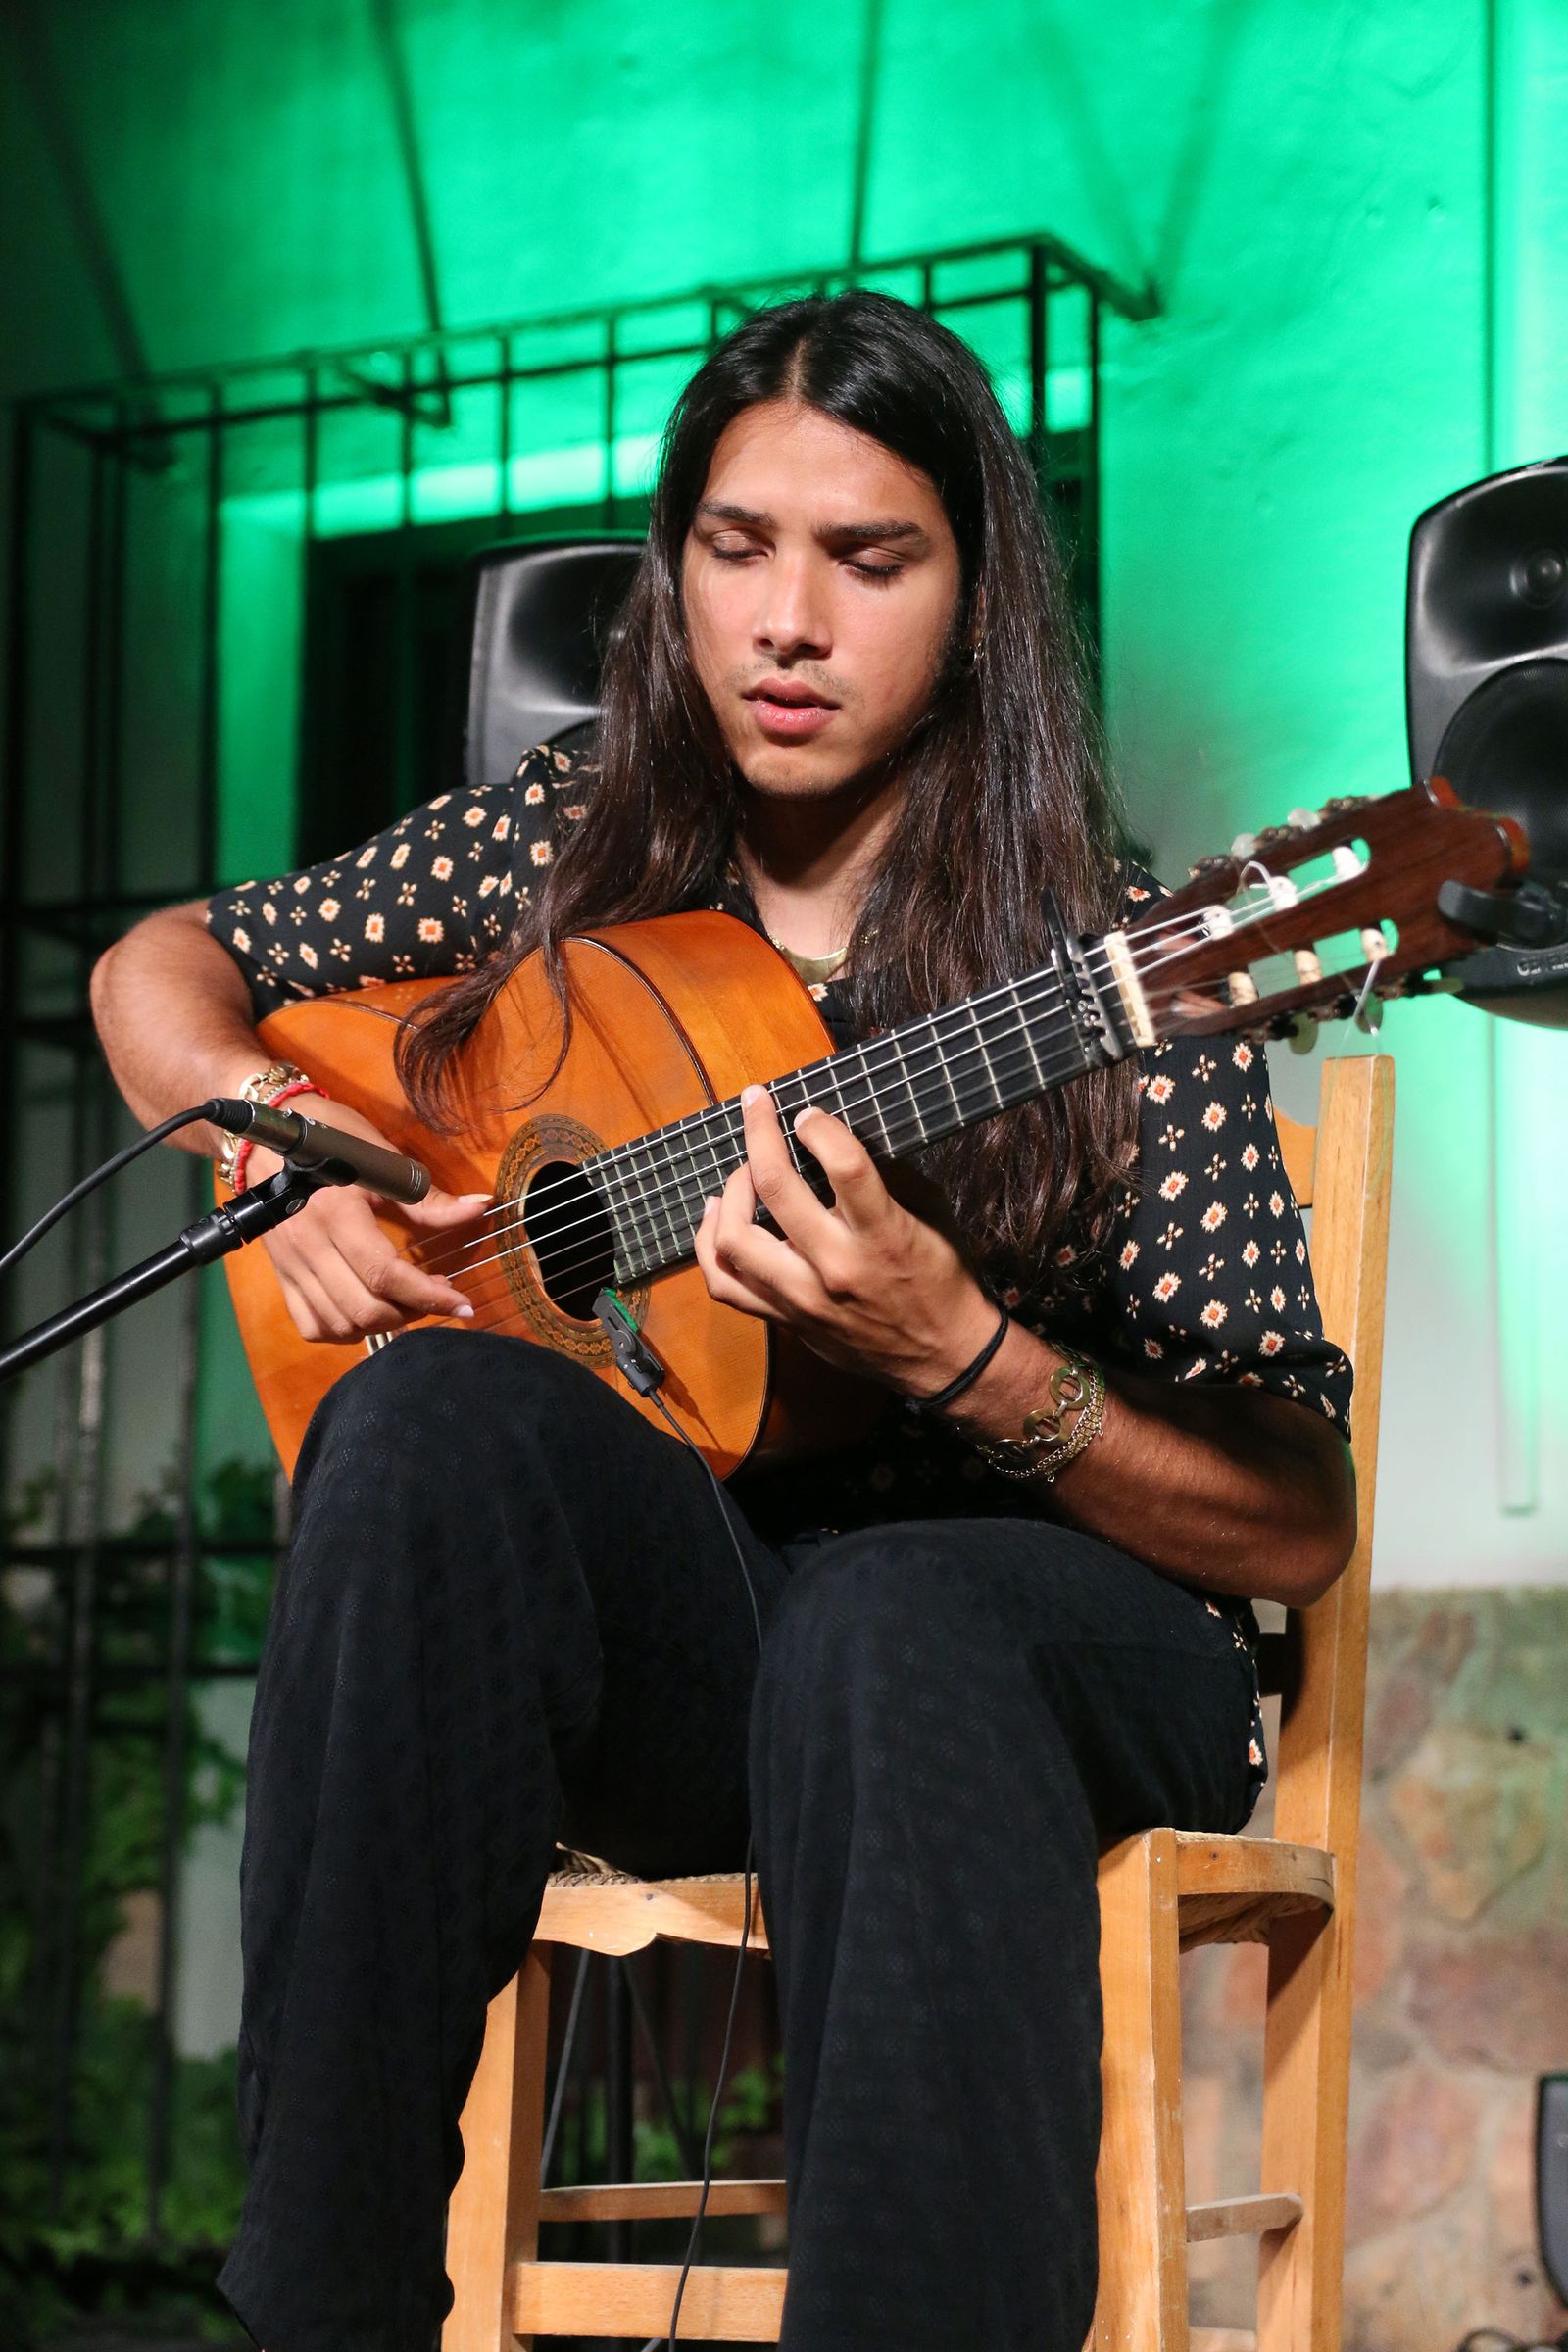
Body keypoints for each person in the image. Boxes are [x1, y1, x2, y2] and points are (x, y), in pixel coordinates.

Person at [91, 292, 1355, 2352]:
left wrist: (965, 1353)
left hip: (1040, 1652)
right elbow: (171, 963)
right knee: (415, 1420)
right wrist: (281, 1148)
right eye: (736, 545)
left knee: (898, 1616)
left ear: (971, 600)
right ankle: (316, 2311)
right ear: (670, 562)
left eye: (868, 560)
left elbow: (1288, 1515)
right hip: (722, 1643)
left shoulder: (1117, 962)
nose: (786, 620)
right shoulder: (571, 841)